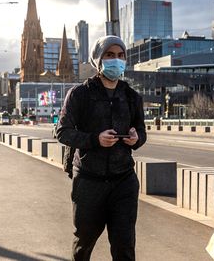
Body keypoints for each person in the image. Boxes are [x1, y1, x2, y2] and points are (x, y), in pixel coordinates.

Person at [56, 35, 146, 261]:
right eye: (109, 55)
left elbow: (141, 133)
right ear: (98, 60)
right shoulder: (80, 94)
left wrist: (135, 138)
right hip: (89, 181)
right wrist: (96, 139)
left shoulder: (132, 97)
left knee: (124, 247)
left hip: (123, 181)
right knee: (83, 243)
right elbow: (62, 132)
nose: (116, 60)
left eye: (120, 55)